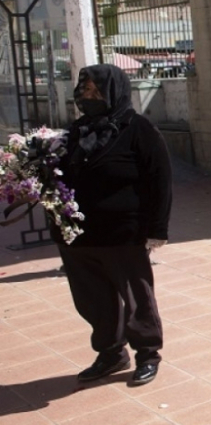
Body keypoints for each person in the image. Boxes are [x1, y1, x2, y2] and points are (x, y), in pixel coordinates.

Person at [57, 64, 172, 387]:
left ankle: (147, 354)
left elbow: (160, 180)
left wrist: (157, 229)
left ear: (113, 92)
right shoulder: (76, 130)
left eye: (95, 91)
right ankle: (110, 353)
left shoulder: (138, 128)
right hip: (78, 236)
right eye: (84, 90)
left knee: (137, 299)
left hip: (123, 233)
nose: (87, 96)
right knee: (92, 299)